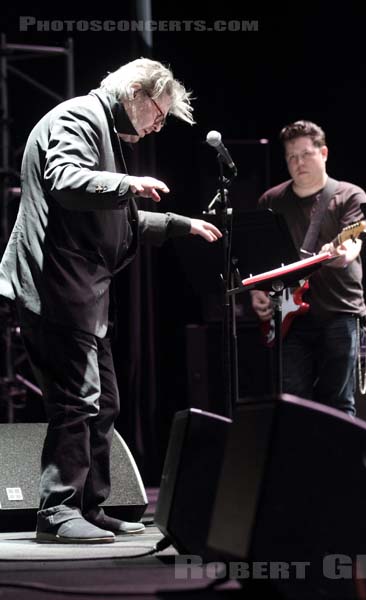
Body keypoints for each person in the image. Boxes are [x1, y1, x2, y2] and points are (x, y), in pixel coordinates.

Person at [0, 58, 221, 543]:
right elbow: (66, 180)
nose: (157, 126)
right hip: (54, 286)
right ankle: (57, 512)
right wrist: (128, 184)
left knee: (104, 403)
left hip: (82, 292)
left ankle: (91, 506)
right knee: (77, 401)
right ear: (136, 92)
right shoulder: (78, 117)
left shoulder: (104, 129)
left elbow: (116, 221)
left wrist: (180, 224)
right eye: (159, 114)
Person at [251, 120, 366, 416]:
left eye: (305, 154)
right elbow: (259, 257)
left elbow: (352, 246)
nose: (298, 162)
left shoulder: (349, 196)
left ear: (324, 153)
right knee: (294, 406)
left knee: (339, 405)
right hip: (290, 319)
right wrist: (257, 291)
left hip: (339, 311)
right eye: (291, 157)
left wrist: (342, 254)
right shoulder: (271, 201)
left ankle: (338, 463)